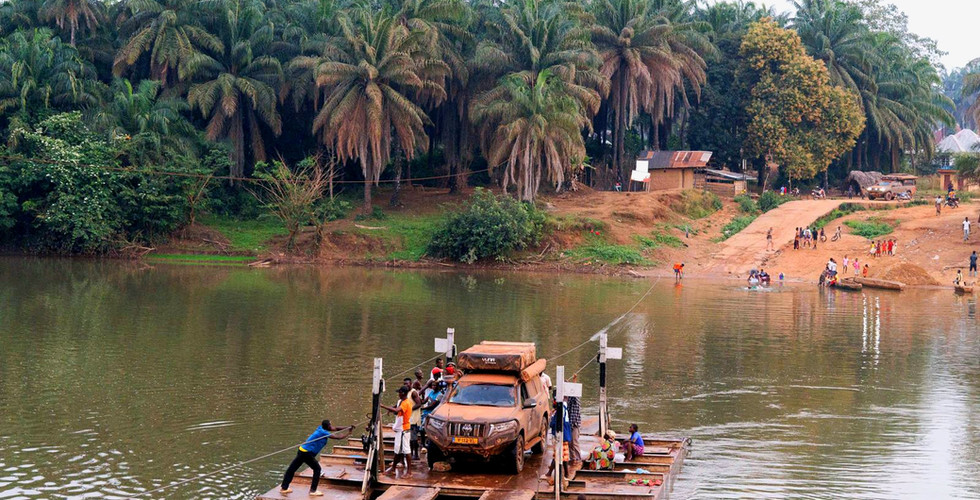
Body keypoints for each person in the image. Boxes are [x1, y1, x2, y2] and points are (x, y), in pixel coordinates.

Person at [280, 420, 354, 496]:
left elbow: (336, 428)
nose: (332, 427)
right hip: (307, 453)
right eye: (330, 425)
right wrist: (348, 433)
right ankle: (313, 491)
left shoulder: (321, 429)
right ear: (328, 426)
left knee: (291, 469)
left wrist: (348, 427)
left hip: (302, 451)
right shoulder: (323, 433)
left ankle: (284, 488)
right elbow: (338, 437)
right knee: (317, 469)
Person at [380, 386, 414, 477]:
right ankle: (393, 468)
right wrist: (389, 410)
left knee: (406, 450)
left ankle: (409, 472)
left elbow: (396, 410)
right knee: (397, 450)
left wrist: (383, 406)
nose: (398, 394)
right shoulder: (401, 401)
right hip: (399, 430)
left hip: (404, 430)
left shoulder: (406, 403)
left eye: (399, 392)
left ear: (403, 393)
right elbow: (395, 408)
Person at [543, 398, 572, 486]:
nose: (553, 403)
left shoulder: (561, 409)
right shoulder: (562, 408)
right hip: (563, 435)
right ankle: (564, 474)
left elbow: (554, 423)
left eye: (553, 401)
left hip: (561, 436)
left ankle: (551, 473)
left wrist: (551, 417)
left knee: (558, 455)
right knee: (563, 455)